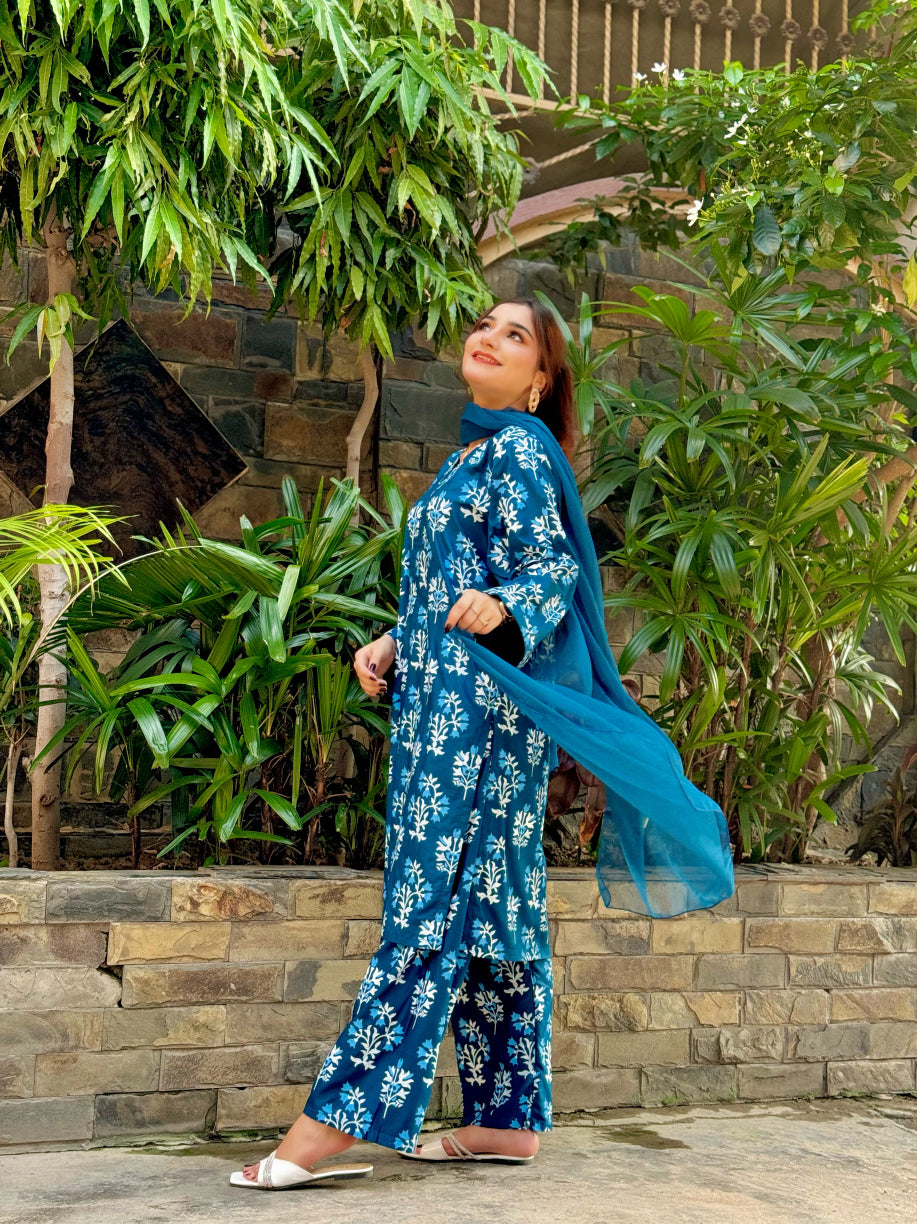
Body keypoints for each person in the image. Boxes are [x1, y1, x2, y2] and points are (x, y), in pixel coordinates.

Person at [231, 297, 735, 1191]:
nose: (488, 338)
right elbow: (451, 584)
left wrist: (504, 607)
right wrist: (396, 640)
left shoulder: (519, 449)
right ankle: (504, 1122)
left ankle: (337, 1121)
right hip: (443, 715)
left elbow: (548, 570)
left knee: (428, 903)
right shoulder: (470, 457)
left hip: (479, 727)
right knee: (497, 910)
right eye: (484, 325)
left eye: (515, 336)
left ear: (540, 380)